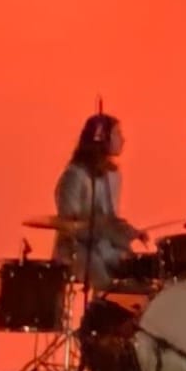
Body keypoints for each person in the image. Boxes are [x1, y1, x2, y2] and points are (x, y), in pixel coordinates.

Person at [52, 113, 135, 285]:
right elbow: (70, 224)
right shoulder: (75, 175)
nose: (123, 139)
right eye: (117, 134)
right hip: (78, 250)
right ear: (102, 139)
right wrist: (100, 227)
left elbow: (110, 219)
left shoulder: (113, 176)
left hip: (105, 247)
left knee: (138, 270)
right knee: (105, 281)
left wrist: (128, 231)